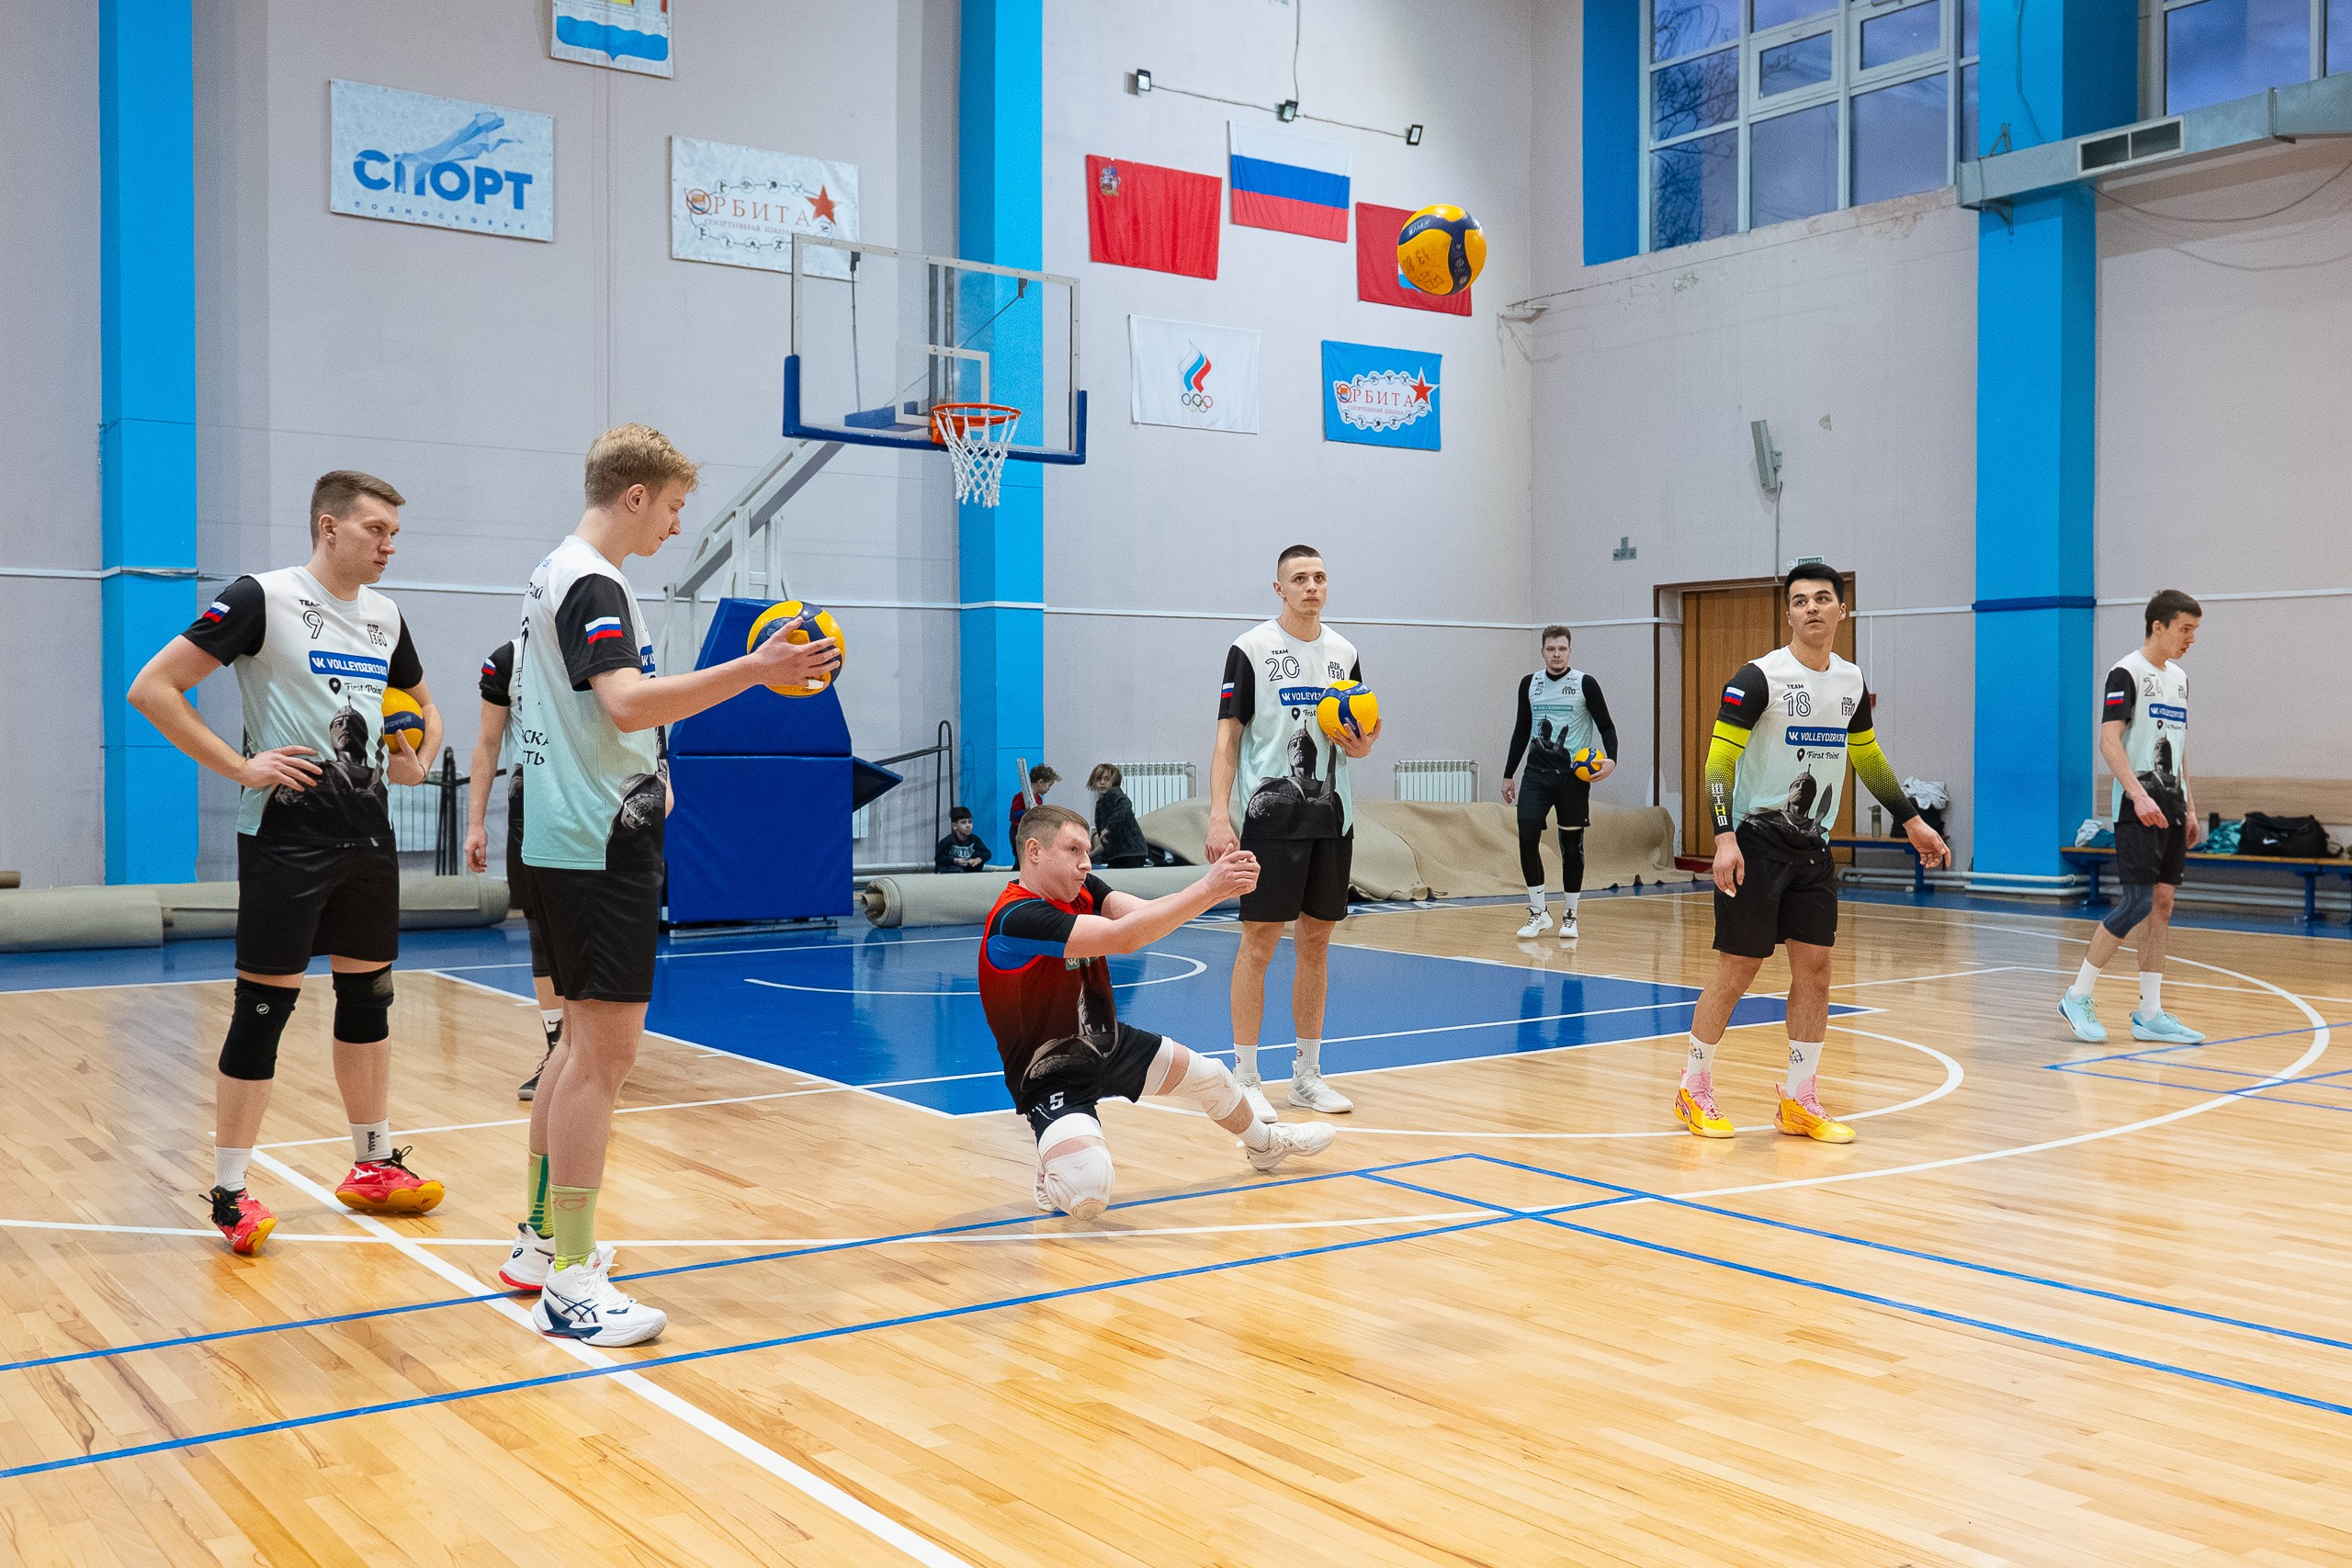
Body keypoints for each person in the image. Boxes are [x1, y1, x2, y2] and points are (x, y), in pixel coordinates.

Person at [499, 423, 838, 1345]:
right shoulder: (593, 581)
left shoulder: (557, 573)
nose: (679, 526)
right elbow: (623, 702)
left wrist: (651, 766)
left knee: (574, 1050)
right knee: (602, 1061)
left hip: (572, 828)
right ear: (635, 496)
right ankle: (570, 1279)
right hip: (594, 841)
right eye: (676, 507)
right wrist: (757, 671)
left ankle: (539, 1243)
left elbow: (593, 717)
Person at [128, 470, 448, 1255]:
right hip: (286, 838)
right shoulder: (259, 598)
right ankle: (230, 1189)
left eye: (393, 532)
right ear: (328, 527)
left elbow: (425, 710)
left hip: (368, 836)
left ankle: (373, 1163)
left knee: (368, 998)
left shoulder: (386, 615)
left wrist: (419, 754)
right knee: (263, 1009)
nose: (388, 545)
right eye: (376, 529)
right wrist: (241, 768)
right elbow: (153, 687)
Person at [1675, 562, 1948, 1144]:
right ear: (1790, 614)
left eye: (1823, 599)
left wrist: (1912, 820)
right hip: (1754, 844)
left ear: (1841, 611)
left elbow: (1867, 757)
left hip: (1813, 849)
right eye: (1800, 602)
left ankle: (1799, 1099)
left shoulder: (1850, 682)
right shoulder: (1758, 678)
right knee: (1739, 968)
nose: (1812, 609)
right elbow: (1718, 762)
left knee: (1817, 972)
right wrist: (1723, 837)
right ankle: (1693, 1086)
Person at [980, 805, 1335, 1222]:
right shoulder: (1016, 918)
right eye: (1073, 849)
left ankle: (1265, 1144)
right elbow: (1123, 937)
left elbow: (1142, 913)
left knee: (1214, 1078)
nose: (1085, 862)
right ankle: (1052, 1161)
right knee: (1088, 1196)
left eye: (1087, 849)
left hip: (1106, 1043)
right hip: (1047, 1073)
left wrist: (1216, 890)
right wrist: (1208, 887)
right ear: (1034, 852)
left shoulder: (1084, 890)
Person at [1208, 544, 1379, 1121]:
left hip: (1333, 821)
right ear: (1278, 588)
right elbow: (1228, 740)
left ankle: (1307, 1075)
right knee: (1258, 942)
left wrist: (1363, 742)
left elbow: (1359, 731)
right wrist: (1217, 815)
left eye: (1321, 578)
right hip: (1270, 825)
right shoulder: (1250, 649)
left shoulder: (1345, 652)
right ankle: (1247, 1076)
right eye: (1300, 579)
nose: (1312, 587)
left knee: (1316, 942)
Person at [2060, 591, 2206, 1046]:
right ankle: (2077, 995)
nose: (2191, 640)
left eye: (2195, 631)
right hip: (2137, 808)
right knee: (2137, 902)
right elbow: (2109, 741)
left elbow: (2177, 748)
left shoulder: (2180, 678)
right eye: (2185, 629)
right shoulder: (2126, 672)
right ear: (2158, 626)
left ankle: (2150, 1013)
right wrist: (2139, 796)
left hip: (2173, 807)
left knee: (2161, 907)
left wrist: (2190, 806)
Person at [463, 639, 566, 1100]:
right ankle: (558, 1049)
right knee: (543, 934)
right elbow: (487, 744)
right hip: (534, 813)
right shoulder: (507, 661)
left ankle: (596, 1049)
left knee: (591, 933)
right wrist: (475, 824)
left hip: (595, 807)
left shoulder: (607, 649)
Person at [1501, 625, 1618, 942]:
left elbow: (1606, 725)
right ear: (1542, 652)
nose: (1556, 655)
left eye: (1562, 649)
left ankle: (1570, 914)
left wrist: (1611, 759)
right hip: (1536, 775)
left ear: (1569, 651)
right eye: (1551, 649)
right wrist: (1509, 773)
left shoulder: (1585, 684)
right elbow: (1521, 730)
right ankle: (1538, 913)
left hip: (1572, 779)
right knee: (1526, 836)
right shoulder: (1530, 684)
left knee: (1571, 847)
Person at [1088, 763, 1150, 868]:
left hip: (1129, 853)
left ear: (1114, 782)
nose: (1102, 782)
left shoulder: (1113, 793)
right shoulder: (1102, 803)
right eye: (1099, 779)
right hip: (1123, 853)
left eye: (1107, 779)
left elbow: (1126, 806)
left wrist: (1108, 828)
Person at [1009, 763, 1059, 844]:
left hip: (1029, 831)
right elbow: (1013, 815)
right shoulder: (1020, 796)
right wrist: (1025, 812)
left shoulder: (1038, 799)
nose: (1049, 789)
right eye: (1049, 785)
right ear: (1041, 782)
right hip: (1018, 831)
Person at [935, 806, 991, 873]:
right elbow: (938, 859)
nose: (968, 825)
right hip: (950, 874)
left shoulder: (975, 839)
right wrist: (954, 860)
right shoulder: (947, 841)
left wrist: (979, 859)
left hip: (969, 874)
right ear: (954, 826)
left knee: (977, 854)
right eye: (963, 823)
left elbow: (987, 853)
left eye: (970, 822)